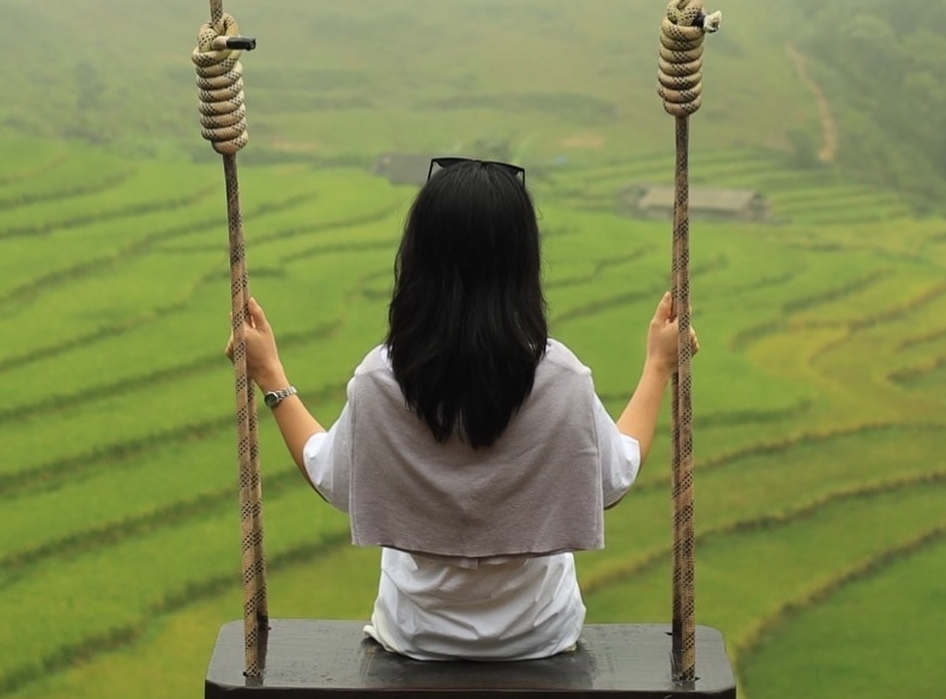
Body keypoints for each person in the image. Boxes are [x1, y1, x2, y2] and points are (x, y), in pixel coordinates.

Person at [231, 157, 692, 660]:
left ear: (418, 260)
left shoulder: (381, 379)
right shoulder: (563, 379)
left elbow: (332, 479)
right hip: (539, 633)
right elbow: (613, 479)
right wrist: (657, 368)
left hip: (415, 633)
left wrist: (270, 377)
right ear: (522, 263)